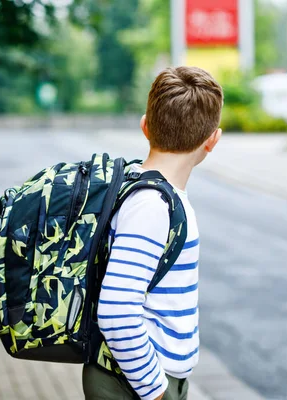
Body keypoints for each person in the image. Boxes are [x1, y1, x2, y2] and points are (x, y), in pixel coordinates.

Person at [82, 66, 223, 400]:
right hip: (134, 383)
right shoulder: (152, 206)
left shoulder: (146, 191)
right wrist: (156, 391)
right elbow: (117, 309)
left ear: (145, 126)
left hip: (140, 377)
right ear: (212, 140)